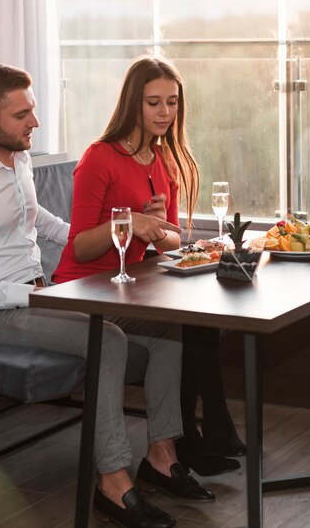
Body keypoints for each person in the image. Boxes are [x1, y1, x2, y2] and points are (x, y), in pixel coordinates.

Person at [0, 62, 211, 528]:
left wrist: (102, 232)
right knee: (110, 340)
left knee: (168, 330)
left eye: (32, 110)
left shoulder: (16, 160)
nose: (34, 123)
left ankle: (161, 457)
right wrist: (28, 296)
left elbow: (38, 220)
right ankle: (114, 484)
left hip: (41, 295)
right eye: (21, 115)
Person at [53, 56, 243, 480]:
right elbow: (80, 246)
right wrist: (129, 223)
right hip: (80, 290)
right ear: (132, 105)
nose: (164, 113)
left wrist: (156, 226)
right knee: (183, 330)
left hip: (127, 290)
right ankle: (184, 444)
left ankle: (166, 456)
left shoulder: (164, 162)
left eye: (172, 103)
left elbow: (173, 240)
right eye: (154, 102)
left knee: (181, 331)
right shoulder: (98, 158)